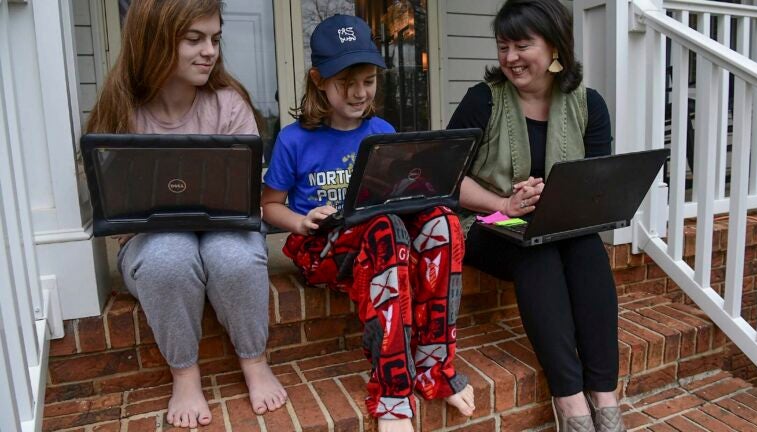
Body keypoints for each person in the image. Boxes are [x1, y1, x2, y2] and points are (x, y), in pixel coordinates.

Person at [262, 14, 474, 432]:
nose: (360, 93)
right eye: (347, 82)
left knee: (442, 222)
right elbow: (269, 206)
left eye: (369, 81)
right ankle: (393, 393)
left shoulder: (382, 130)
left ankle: (434, 366)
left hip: (380, 244)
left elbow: (396, 195)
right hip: (321, 248)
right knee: (384, 230)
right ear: (318, 79)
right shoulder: (294, 138)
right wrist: (302, 221)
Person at [86, 0, 286, 427]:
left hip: (225, 228)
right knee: (169, 258)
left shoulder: (229, 104)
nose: (210, 50)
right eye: (194, 39)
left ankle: (254, 361)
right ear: (154, 41)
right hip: (150, 238)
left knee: (230, 257)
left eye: (215, 38)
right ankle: (185, 375)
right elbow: (113, 200)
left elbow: (246, 193)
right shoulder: (122, 109)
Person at [447, 1, 625, 431]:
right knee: (535, 252)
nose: (510, 58)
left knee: (585, 246)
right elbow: (447, 177)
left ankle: (604, 394)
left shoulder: (588, 104)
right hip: (487, 224)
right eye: (503, 46)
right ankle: (569, 401)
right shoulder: (482, 101)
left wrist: (556, 200)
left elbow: (595, 185)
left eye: (522, 45)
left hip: (559, 226)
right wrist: (504, 205)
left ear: (555, 47)